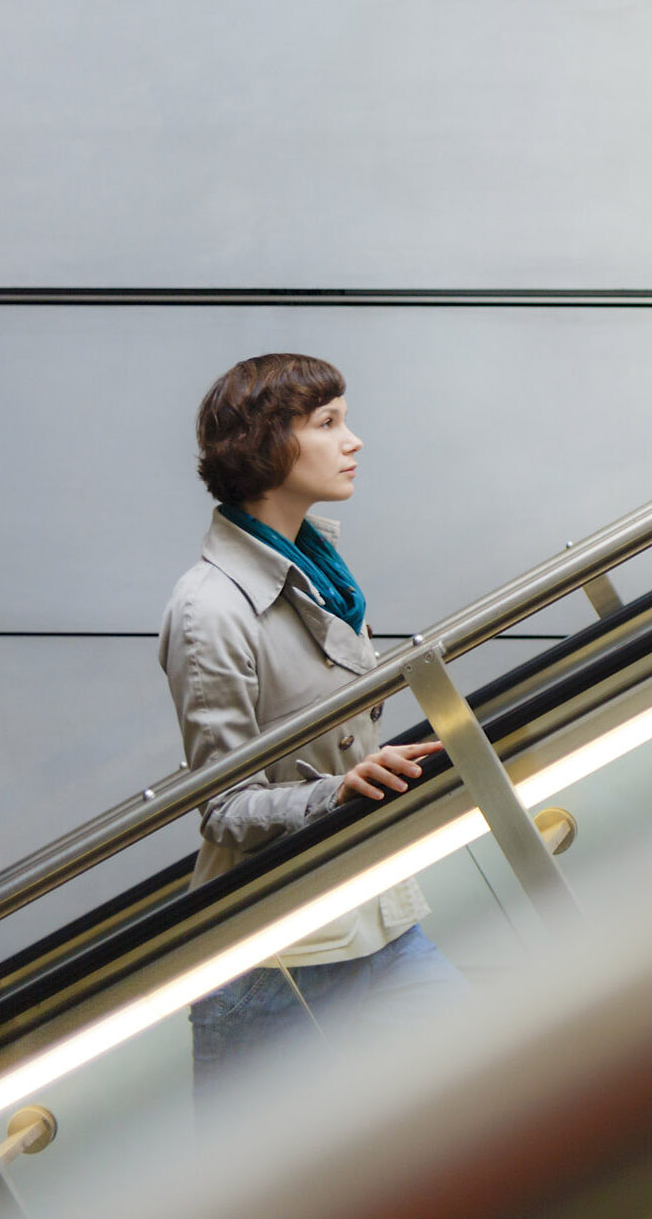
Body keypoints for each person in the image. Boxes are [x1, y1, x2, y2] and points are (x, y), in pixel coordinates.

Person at [162, 352, 464, 1104]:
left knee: (490, 1107)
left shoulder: (321, 571)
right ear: (268, 445)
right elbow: (224, 807)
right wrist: (335, 795)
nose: (352, 440)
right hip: (274, 955)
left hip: (377, 918)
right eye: (327, 424)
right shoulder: (210, 608)